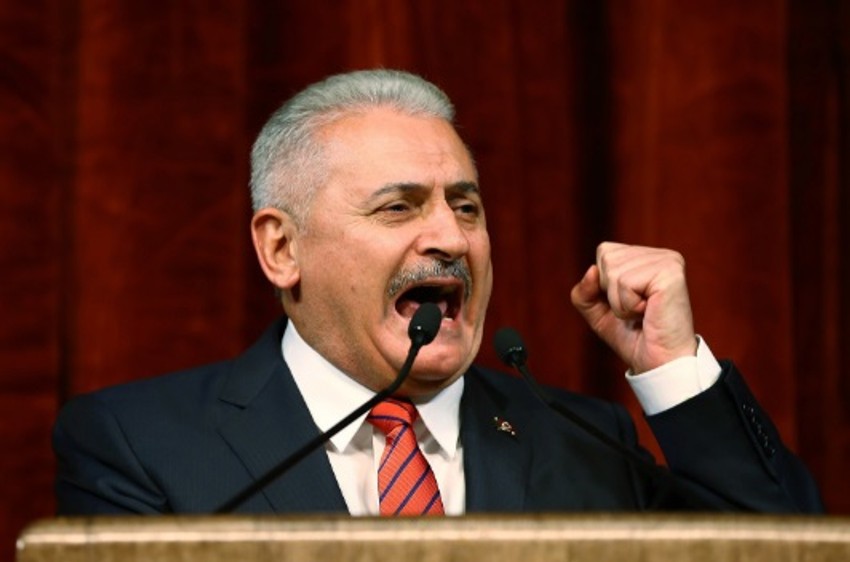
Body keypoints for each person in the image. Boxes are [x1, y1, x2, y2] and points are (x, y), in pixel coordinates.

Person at [53, 69, 823, 515]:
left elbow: (784, 555)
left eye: (467, 207)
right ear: (282, 248)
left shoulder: (587, 445)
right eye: (399, 207)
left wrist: (672, 368)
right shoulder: (139, 446)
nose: (452, 239)